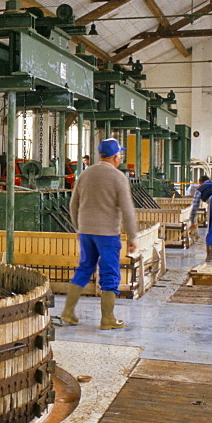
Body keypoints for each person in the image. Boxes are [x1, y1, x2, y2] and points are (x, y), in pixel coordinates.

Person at [60, 138, 138, 330]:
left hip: (86, 231)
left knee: (84, 268)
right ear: (116, 157)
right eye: (120, 154)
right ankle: (107, 319)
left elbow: (73, 204)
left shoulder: (86, 175)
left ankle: (68, 312)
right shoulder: (118, 177)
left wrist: (78, 227)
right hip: (107, 233)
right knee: (110, 272)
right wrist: (132, 236)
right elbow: (127, 210)